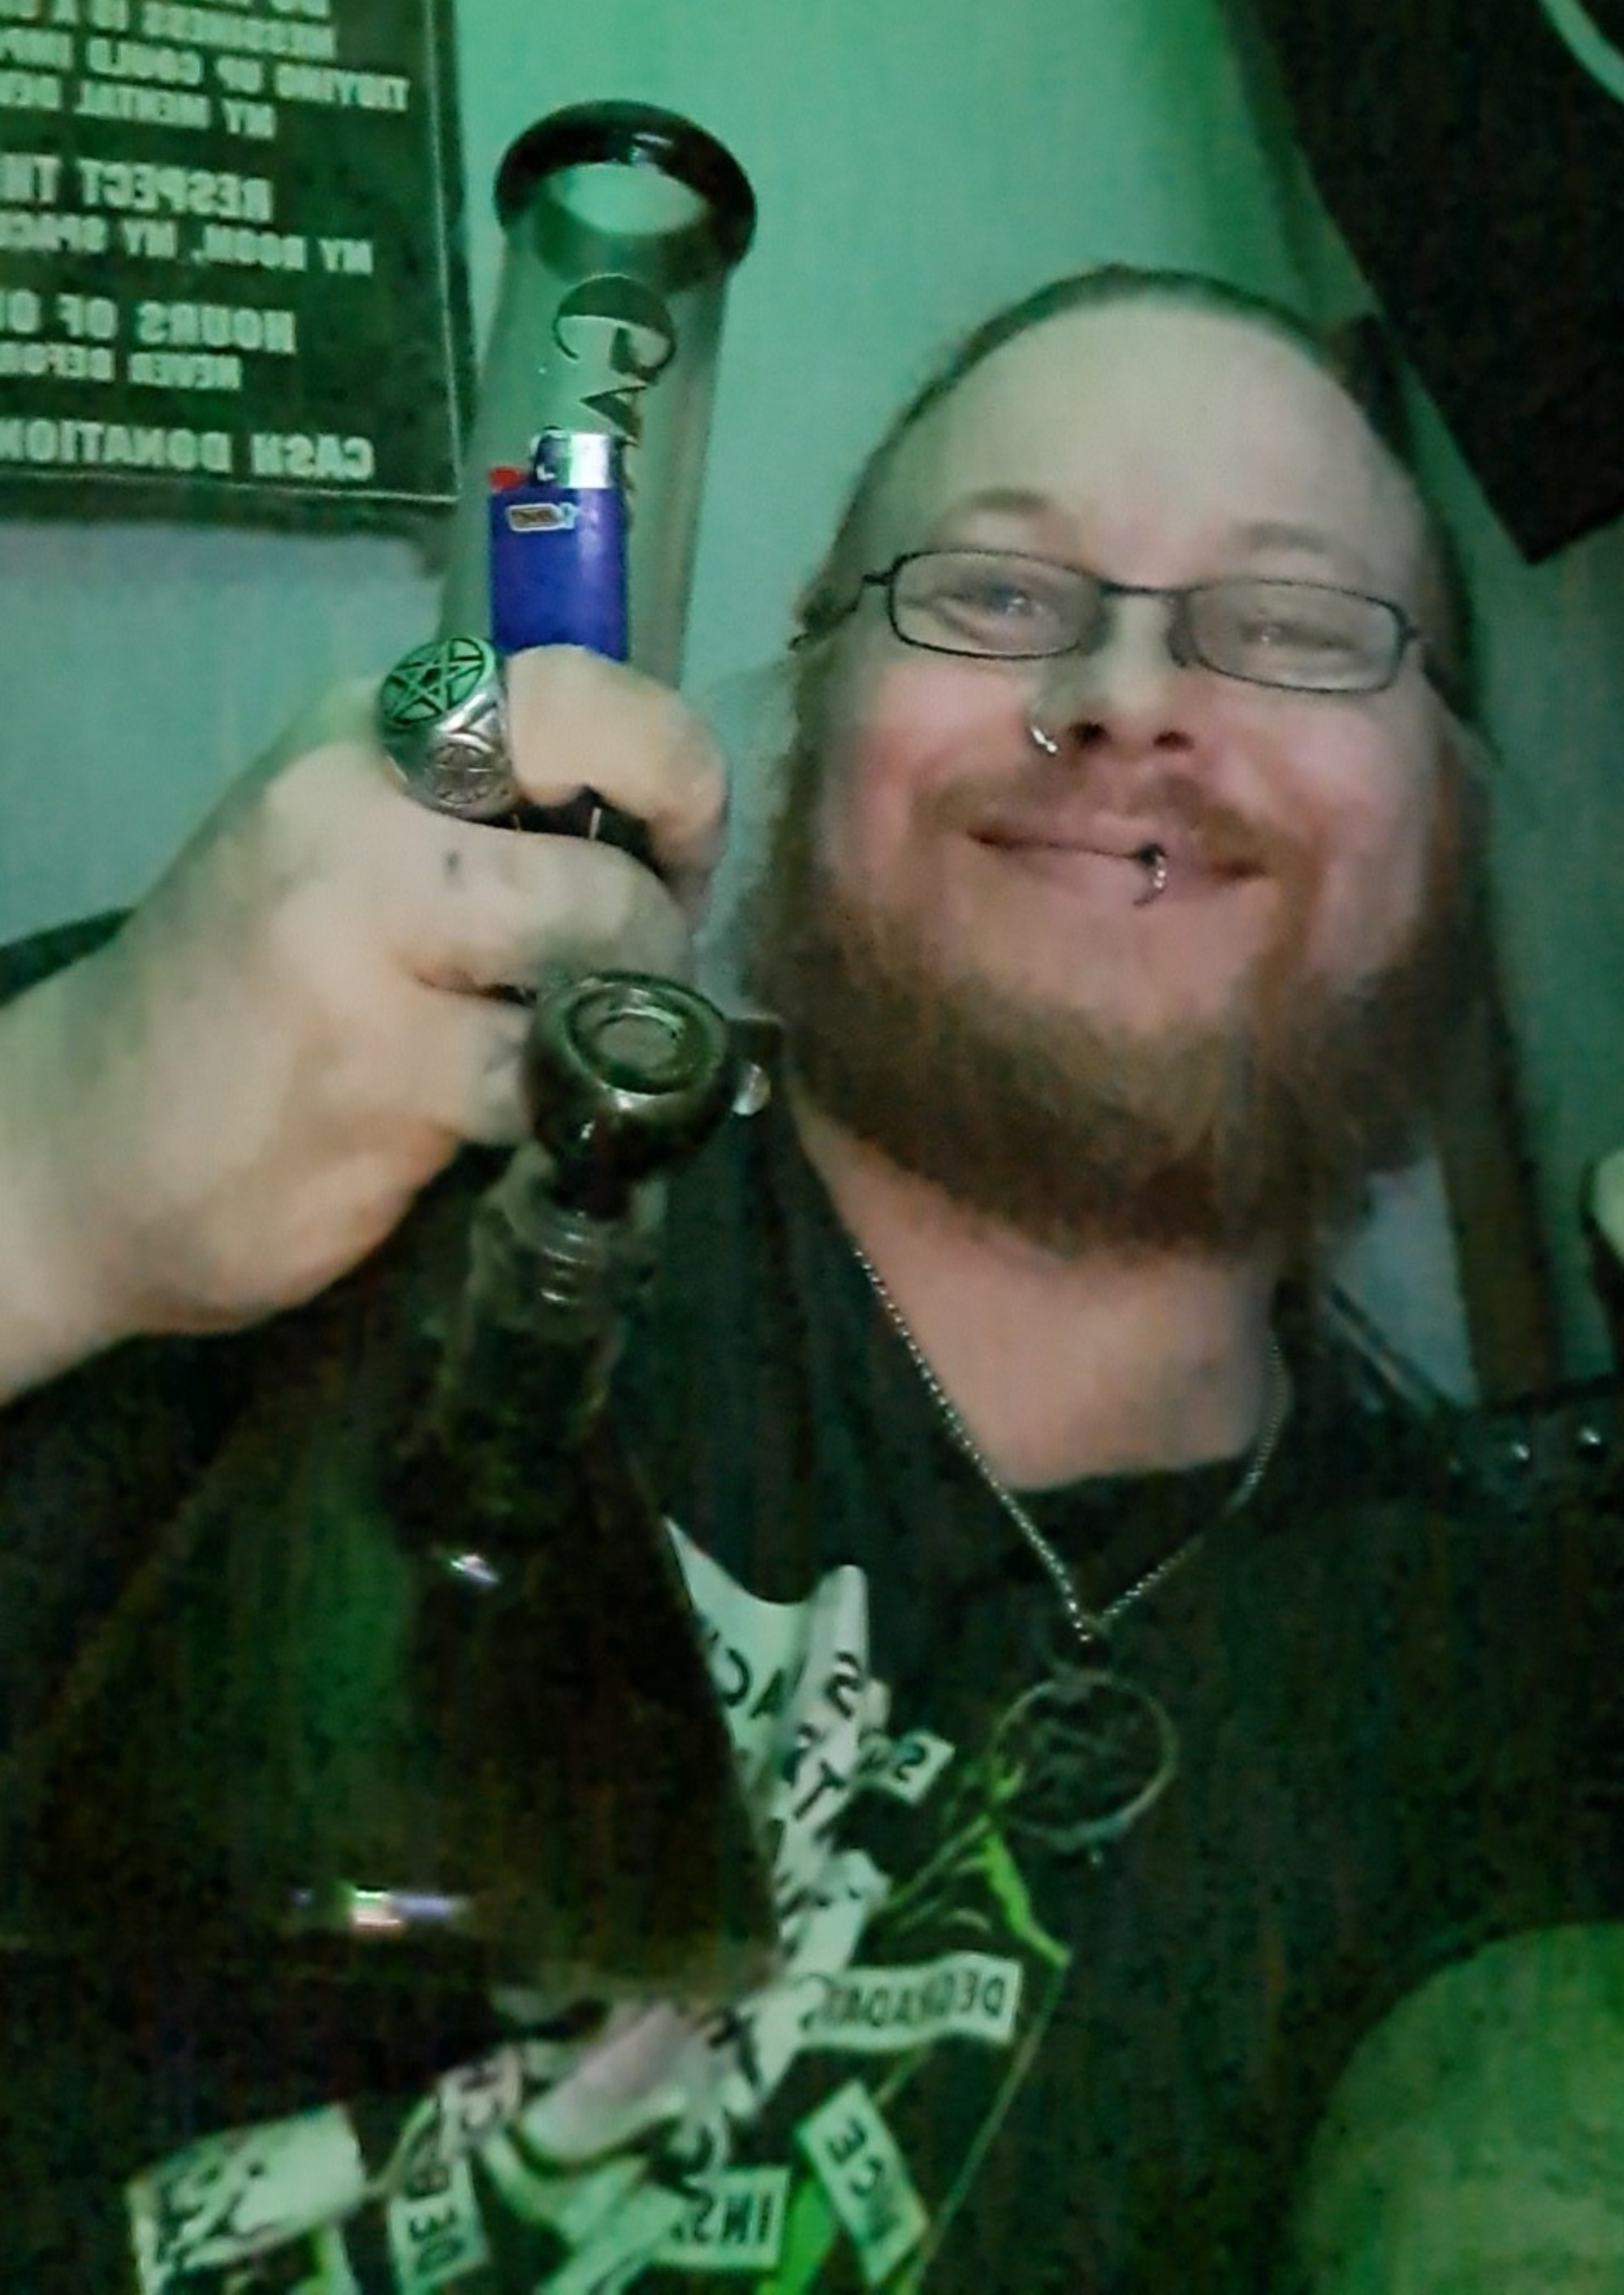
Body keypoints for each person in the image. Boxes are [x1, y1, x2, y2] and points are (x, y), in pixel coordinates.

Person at [0, 266, 1618, 2294]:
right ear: (813, 696)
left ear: (1449, 807)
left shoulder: (1488, 1680)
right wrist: (48, 1180)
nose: (1124, 691)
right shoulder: (273, 1126)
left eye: (1294, 626)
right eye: (996, 594)